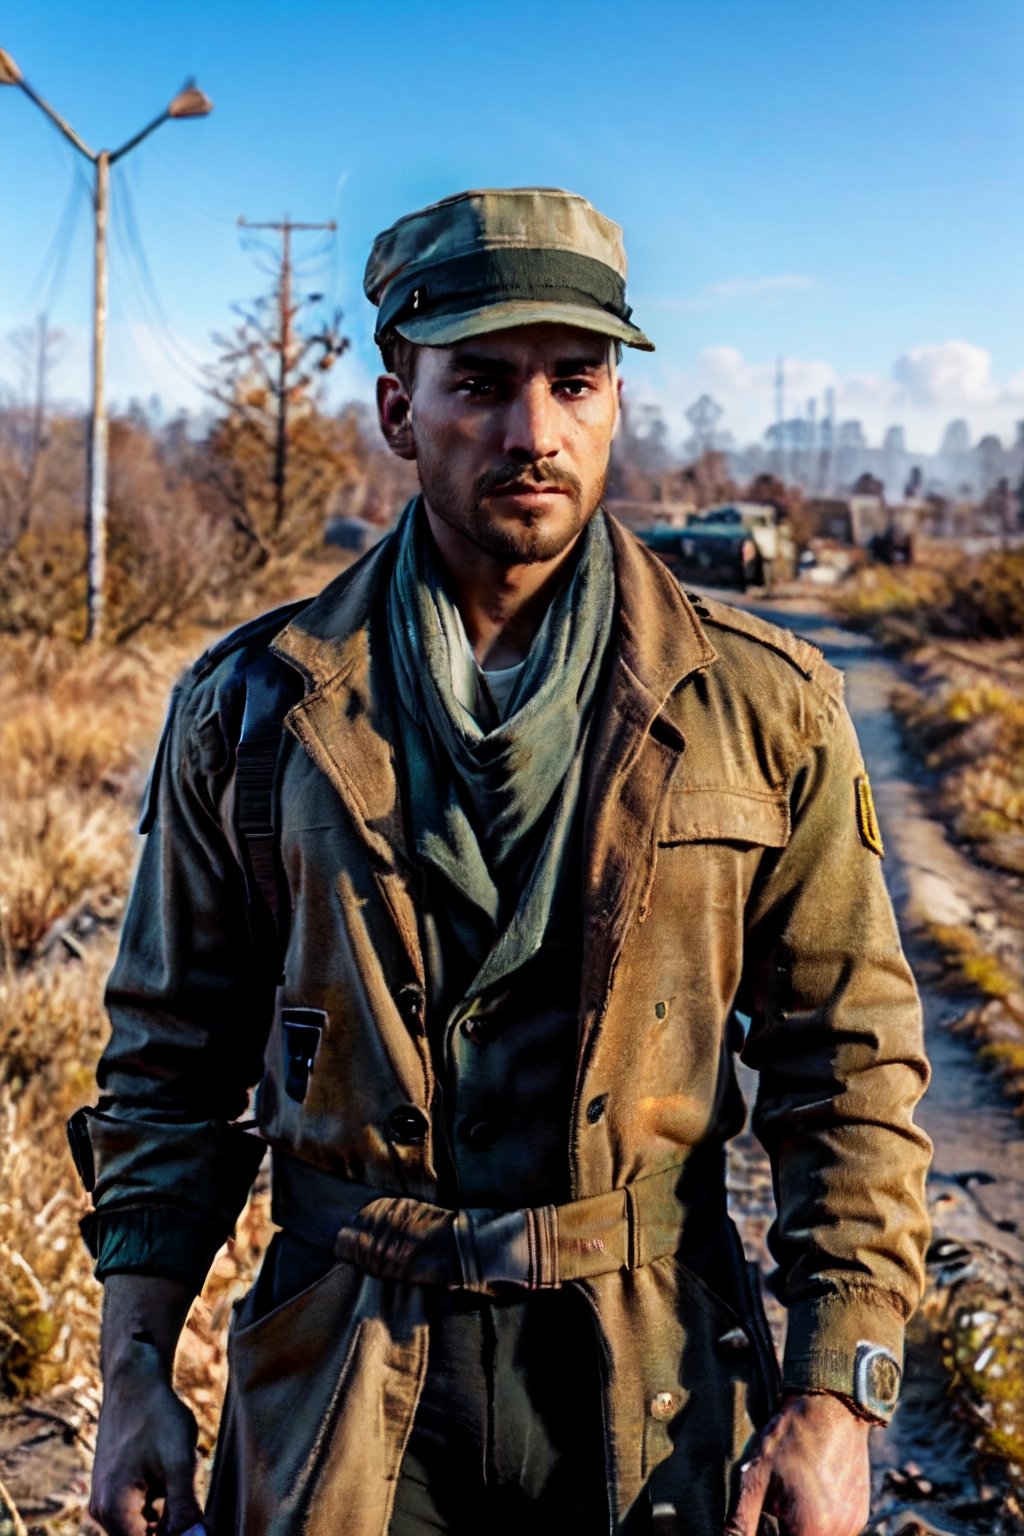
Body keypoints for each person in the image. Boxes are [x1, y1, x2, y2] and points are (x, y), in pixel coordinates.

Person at [73, 187, 931, 1536]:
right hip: (343, 1393)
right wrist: (132, 1371)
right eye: (480, 381)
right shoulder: (252, 710)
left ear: (614, 405)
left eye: (574, 381)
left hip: (647, 1385)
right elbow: (169, 1065)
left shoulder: (766, 710)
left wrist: (835, 1396)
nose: (534, 431)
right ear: (399, 409)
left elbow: (853, 1065)